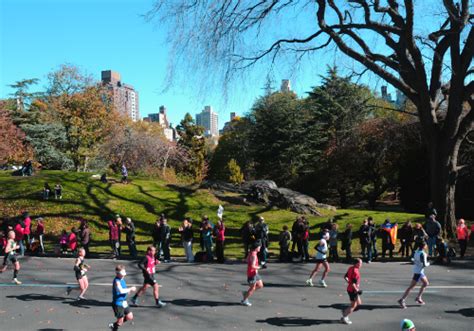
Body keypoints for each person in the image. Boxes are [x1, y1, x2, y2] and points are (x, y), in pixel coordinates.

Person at [398, 241, 430, 309]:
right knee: (411, 287)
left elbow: (412, 259)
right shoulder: (423, 254)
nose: (426, 246)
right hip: (418, 272)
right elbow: (424, 264)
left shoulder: (416, 252)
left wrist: (416, 262)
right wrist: (429, 263)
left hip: (418, 271)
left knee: (426, 283)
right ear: (424, 246)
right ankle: (402, 300)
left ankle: (418, 297)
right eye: (426, 245)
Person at [109, 264, 136, 331]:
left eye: (124, 273)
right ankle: (115, 328)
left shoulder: (122, 279)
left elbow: (124, 289)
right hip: (118, 303)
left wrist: (127, 291)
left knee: (130, 316)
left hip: (124, 302)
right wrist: (130, 289)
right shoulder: (117, 281)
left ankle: (114, 325)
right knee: (120, 321)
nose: (124, 275)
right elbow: (120, 290)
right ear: (117, 273)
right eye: (122, 273)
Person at [241, 240, 264, 306]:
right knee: (252, 288)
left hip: (255, 273)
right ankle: (244, 300)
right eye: (259, 247)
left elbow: (246, 260)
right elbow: (252, 266)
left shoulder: (251, 252)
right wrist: (260, 267)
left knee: (260, 285)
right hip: (252, 274)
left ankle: (246, 293)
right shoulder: (254, 255)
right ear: (256, 247)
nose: (260, 248)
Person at [341, 258, 363, 325]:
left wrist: (349, 282)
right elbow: (353, 283)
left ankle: (346, 311)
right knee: (353, 305)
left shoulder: (351, 268)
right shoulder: (355, 272)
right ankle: (345, 316)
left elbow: (345, 277)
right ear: (357, 264)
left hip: (351, 289)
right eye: (360, 263)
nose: (361, 265)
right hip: (353, 291)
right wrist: (357, 290)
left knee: (359, 303)